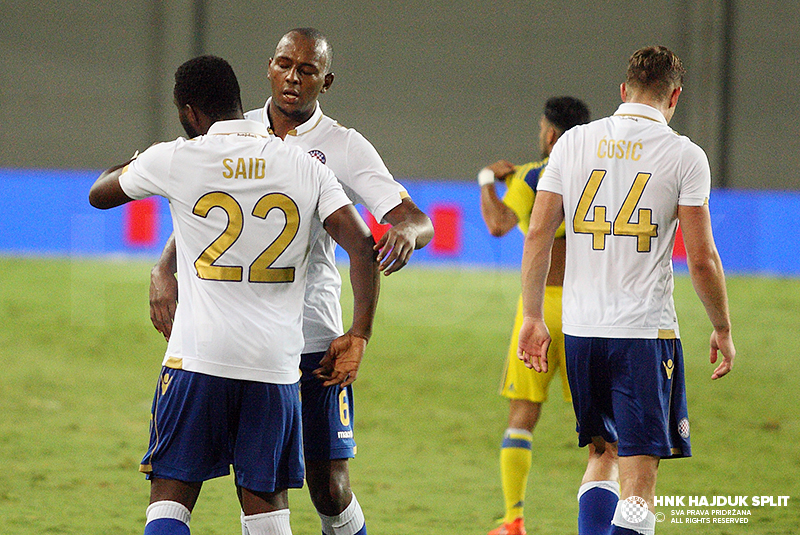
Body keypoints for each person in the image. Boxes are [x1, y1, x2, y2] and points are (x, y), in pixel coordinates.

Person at [149, 28, 434, 535]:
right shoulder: (238, 125)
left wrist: (407, 234)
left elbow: (412, 217)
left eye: (306, 71)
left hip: (316, 342)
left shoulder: (344, 148)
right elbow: (201, 210)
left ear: (327, 81)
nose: (292, 79)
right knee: (254, 491)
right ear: (269, 66)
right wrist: (164, 266)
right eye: (285, 65)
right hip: (243, 343)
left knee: (329, 487)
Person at [89, 55, 381, 535]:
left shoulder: (175, 158)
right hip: (275, 367)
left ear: (188, 113)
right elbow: (362, 249)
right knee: (267, 508)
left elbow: (100, 193)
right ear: (240, 101)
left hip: (196, 359)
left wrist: (149, 158)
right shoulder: (305, 166)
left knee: (170, 497)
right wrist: (360, 332)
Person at [517, 46, 736, 535]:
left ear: (623, 91)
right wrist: (721, 326)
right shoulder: (684, 155)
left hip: (580, 331)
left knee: (601, 452)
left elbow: (537, 236)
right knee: (640, 483)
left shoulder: (572, 143)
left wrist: (533, 316)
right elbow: (701, 259)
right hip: (643, 332)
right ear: (675, 95)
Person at [477, 96, 590, 535]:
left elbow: (498, 224)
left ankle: (513, 520)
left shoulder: (531, 175)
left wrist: (487, 180)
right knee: (601, 425)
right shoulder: (602, 176)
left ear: (550, 135)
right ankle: (609, 518)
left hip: (539, 311)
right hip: (590, 309)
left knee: (522, 417)